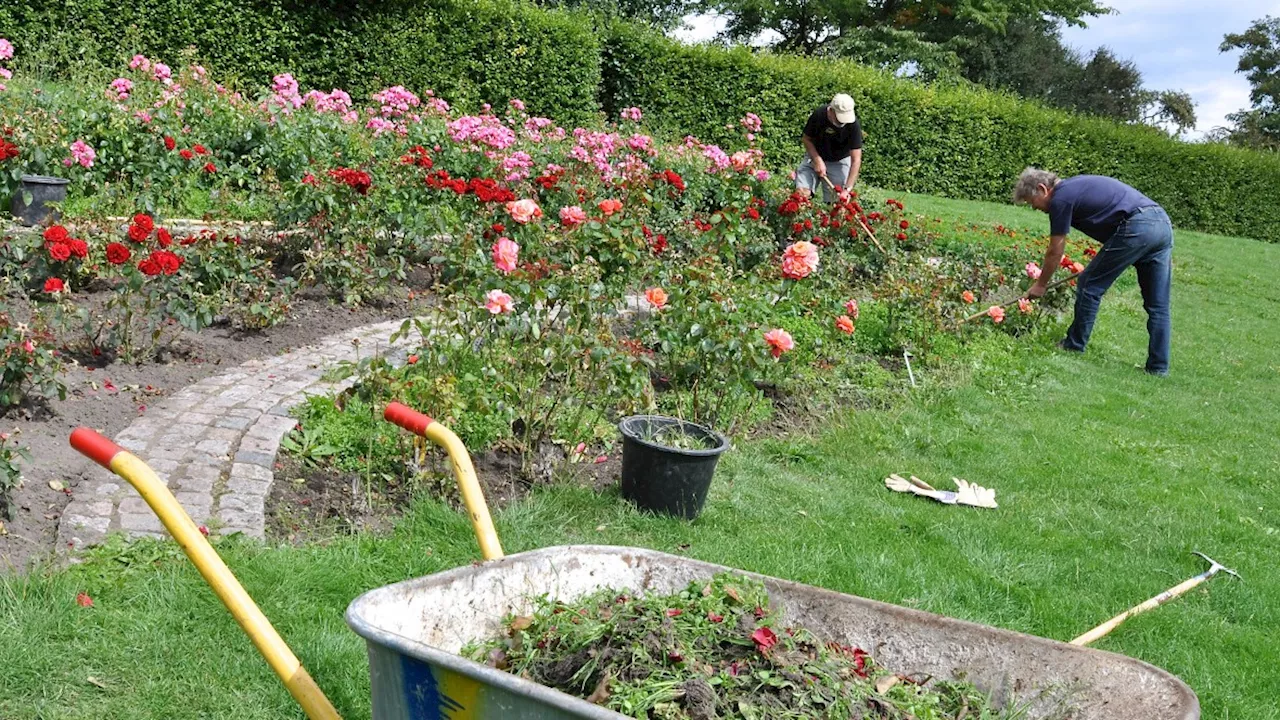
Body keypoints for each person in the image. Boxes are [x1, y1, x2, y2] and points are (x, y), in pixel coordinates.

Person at [1012, 168, 1174, 376]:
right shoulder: (1075, 187)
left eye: (1030, 201)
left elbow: (1055, 250)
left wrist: (1041, 284)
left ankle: (1074, 344)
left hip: (1138, 225)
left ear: (1042, 189)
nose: (1034, 208)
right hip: (1161, 224)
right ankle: (1158, 368)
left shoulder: (1061, 198)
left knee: (1090, 284)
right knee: (1158, 305)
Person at [795, 93, 863, 203]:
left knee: (836, 204)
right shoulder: (819, 115)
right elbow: (806, 139)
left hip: (839, 161)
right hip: (814, 156)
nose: (843, 122)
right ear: (831, 111)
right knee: (802, 194)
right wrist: (817, 160)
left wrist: (847, 189)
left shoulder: (853, 124)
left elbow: (856, 160)